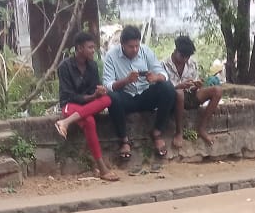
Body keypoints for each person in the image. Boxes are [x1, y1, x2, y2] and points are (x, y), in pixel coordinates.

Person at [102, 24, 176, 160]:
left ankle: (157, 132)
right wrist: (126, 80)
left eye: (137, 45)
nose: (135, 49)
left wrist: (156, 77)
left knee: (168, 88)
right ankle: (124, 140)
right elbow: (107, 85)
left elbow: (163, 74)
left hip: (145, 95)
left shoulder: (146, 51)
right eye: (131, 47)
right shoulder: (111, 56)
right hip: (126, 98)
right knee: (111, 97)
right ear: (122, 44)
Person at [54, 31, 119, 182]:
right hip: (70, 105)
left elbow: (94, 90)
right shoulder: (65, 67)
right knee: (89, 121)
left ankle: (65, 122)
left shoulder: (93, 66)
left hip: (87, 106)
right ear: (79, 48)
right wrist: (92, 97)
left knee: (108, 99)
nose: (93, 50)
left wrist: (99, 92)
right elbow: (68, 95)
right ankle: (102, 168)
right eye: (90, 47)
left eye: (93, 47)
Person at [162, 34, 222, 148]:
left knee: (217, 90)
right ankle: (179, 132)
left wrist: (196, 85)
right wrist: (179, 86)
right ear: (175, 51)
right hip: (174, 98)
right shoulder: (164, 65)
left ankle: (202, 128)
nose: (185, 60)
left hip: (190, 95)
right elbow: (163, 89)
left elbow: (194, 84)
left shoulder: (192, 63)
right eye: (182, 56)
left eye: (187, 57)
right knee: (179, 93)